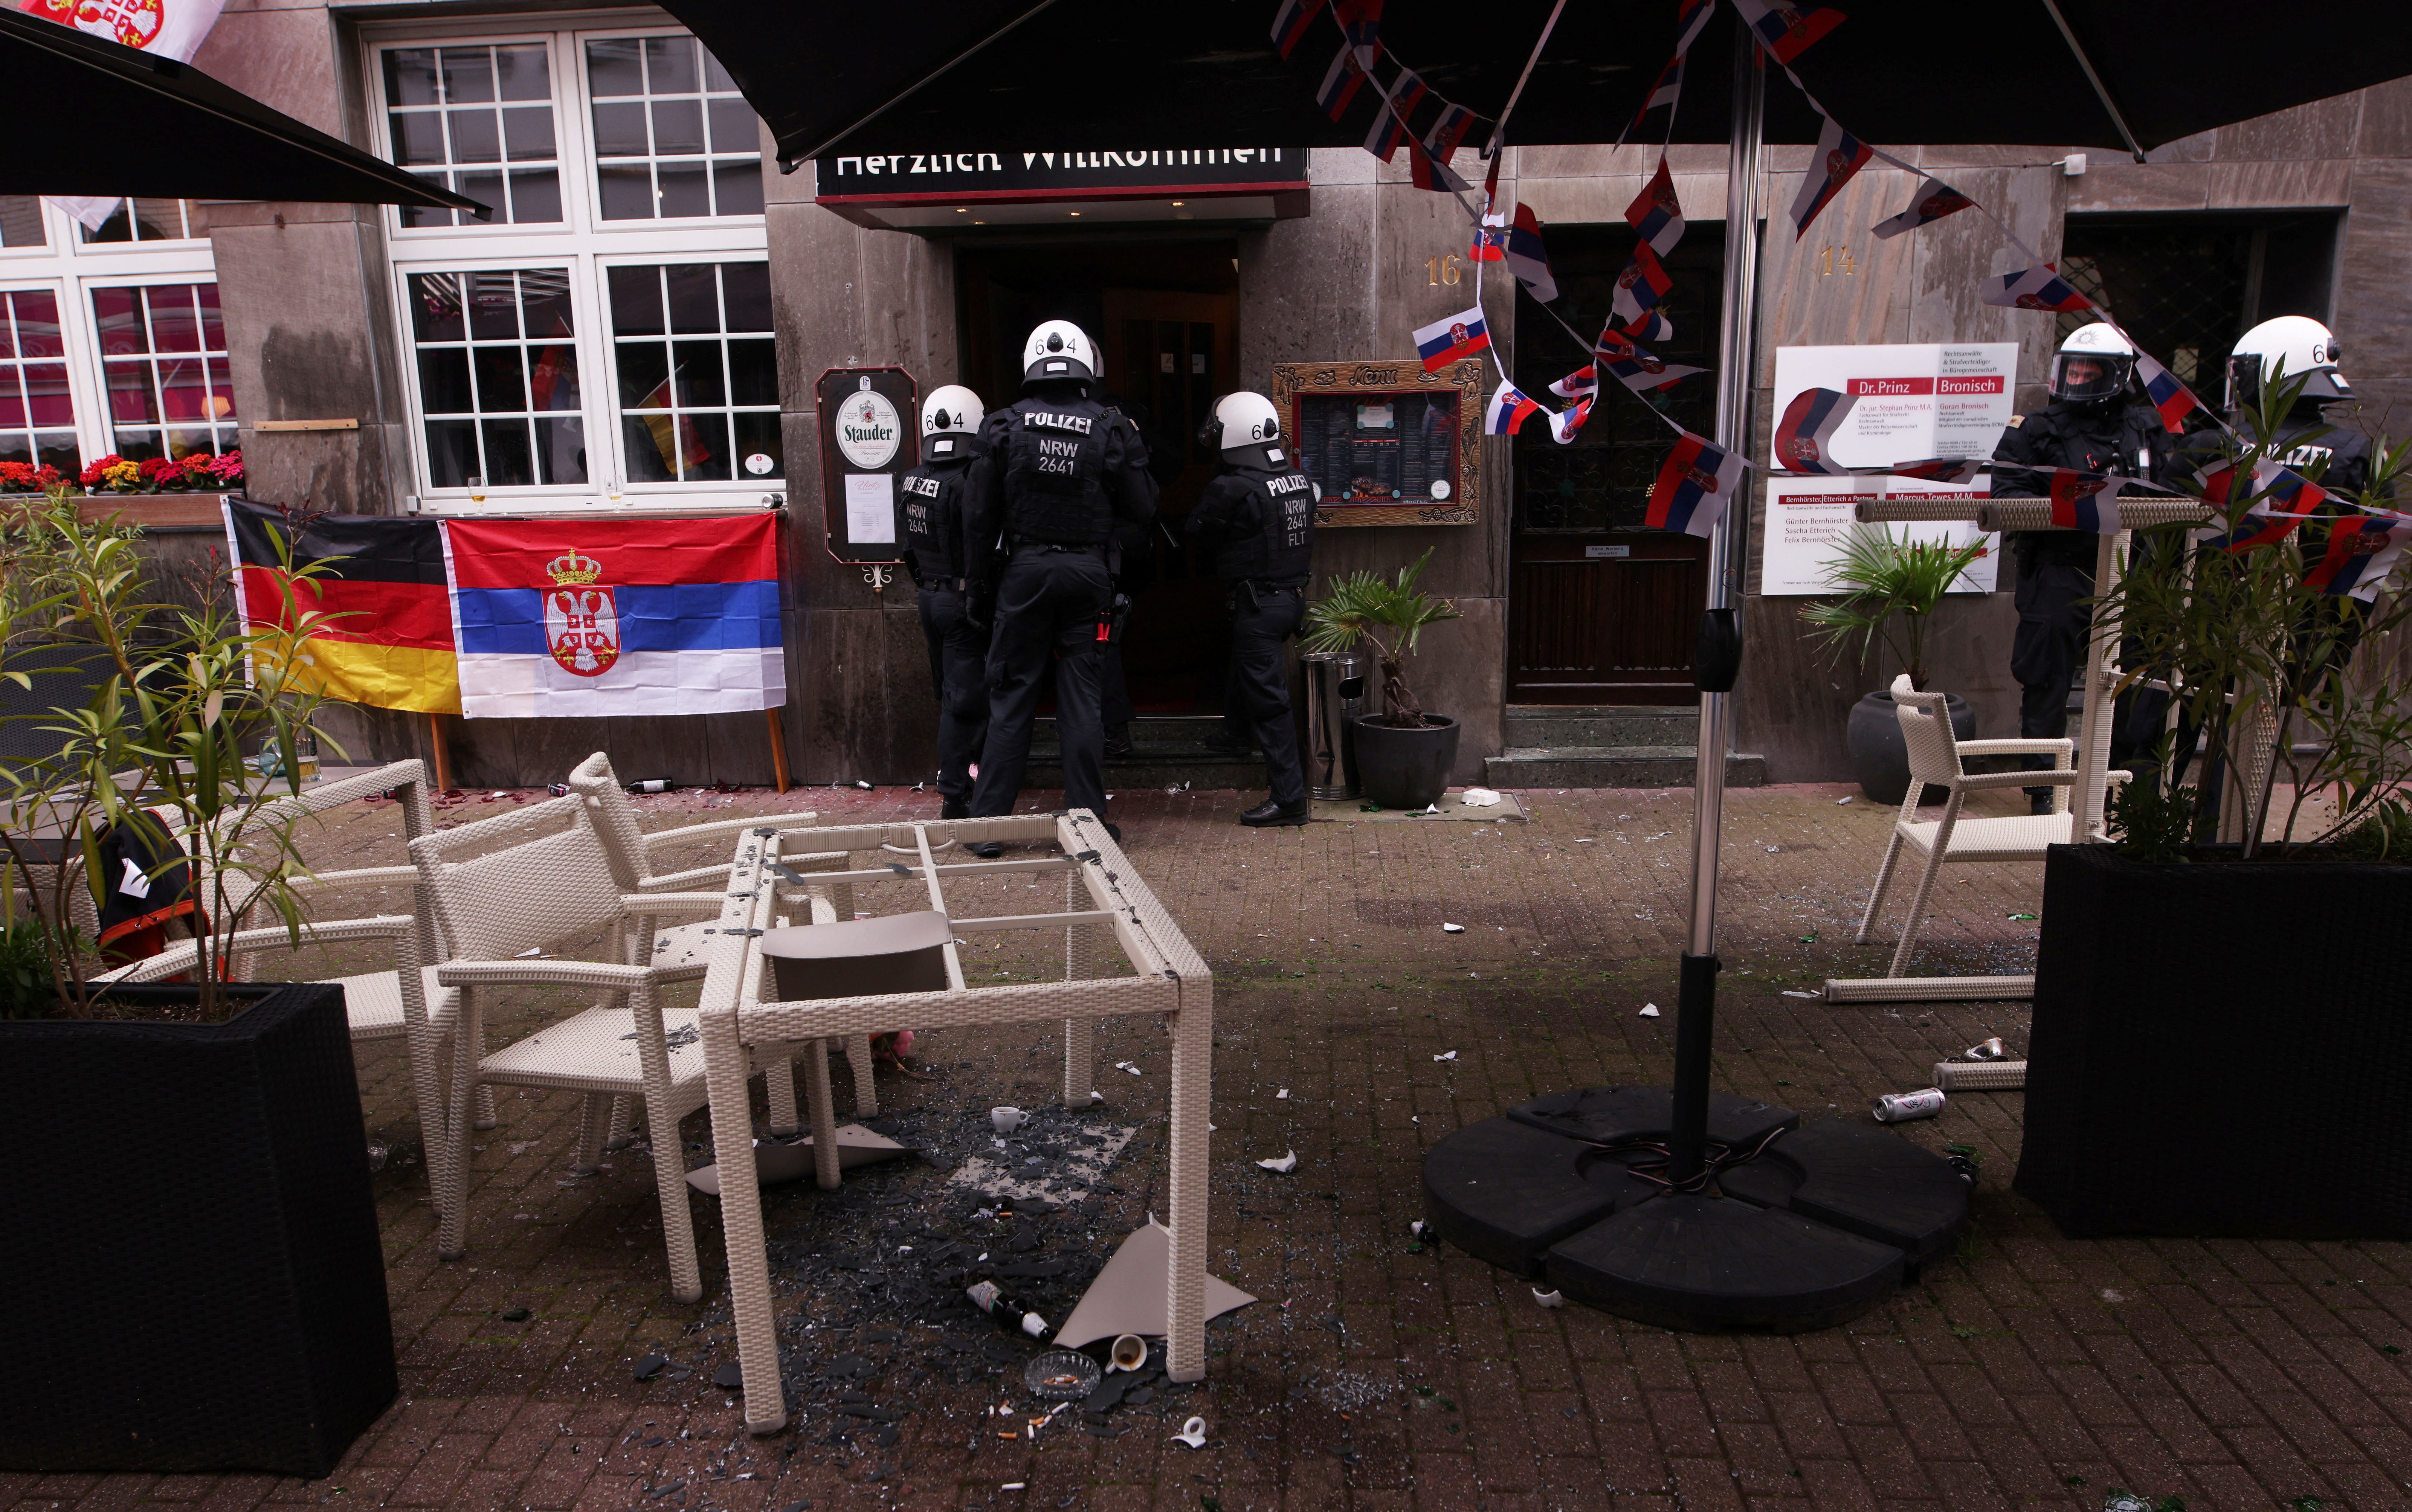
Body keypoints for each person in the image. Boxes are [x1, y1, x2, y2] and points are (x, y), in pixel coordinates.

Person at [961, 320, 1159, 853]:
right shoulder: (1111, 428)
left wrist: (977, 586)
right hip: (1087, 576)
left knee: (1012, 697)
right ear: (1084, 368)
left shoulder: (1002, 426)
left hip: (1022, 575)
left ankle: (987, 829)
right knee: (1082, 702)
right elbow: (1145, 509)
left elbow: (978, 517)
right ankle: (1088, 826)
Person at [1989, 322, 2170, 813]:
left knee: (2135, 686)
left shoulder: (2146, 429)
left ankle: (2123, 789)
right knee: (2047, 684)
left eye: (2092, 371)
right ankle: (2044, 792)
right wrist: (2071, 507)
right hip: (2059, 570)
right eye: (2075, 369)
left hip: (2132, 575)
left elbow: (2176, 493)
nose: (2081, 378)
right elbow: (2004, 497)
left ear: (2119, 374)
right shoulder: (2036, 430)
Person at [1185, 391, 1317, 827]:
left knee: (1271, 705)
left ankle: (1290, 800)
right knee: (1246, 664)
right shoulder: (1297, 480)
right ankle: (1233, 735)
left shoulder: (1233, 487)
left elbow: (1197, 532)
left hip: (1259, 605)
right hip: (1291, 601)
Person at [895, 384, 988, 819]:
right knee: (962, 702)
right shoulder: (968, 481)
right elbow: (982, 545)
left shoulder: (912, 478)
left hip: (929, 598)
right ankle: (956, 794)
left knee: (950, 694)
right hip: (960, 601)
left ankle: (965, 776)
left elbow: (907, 549)